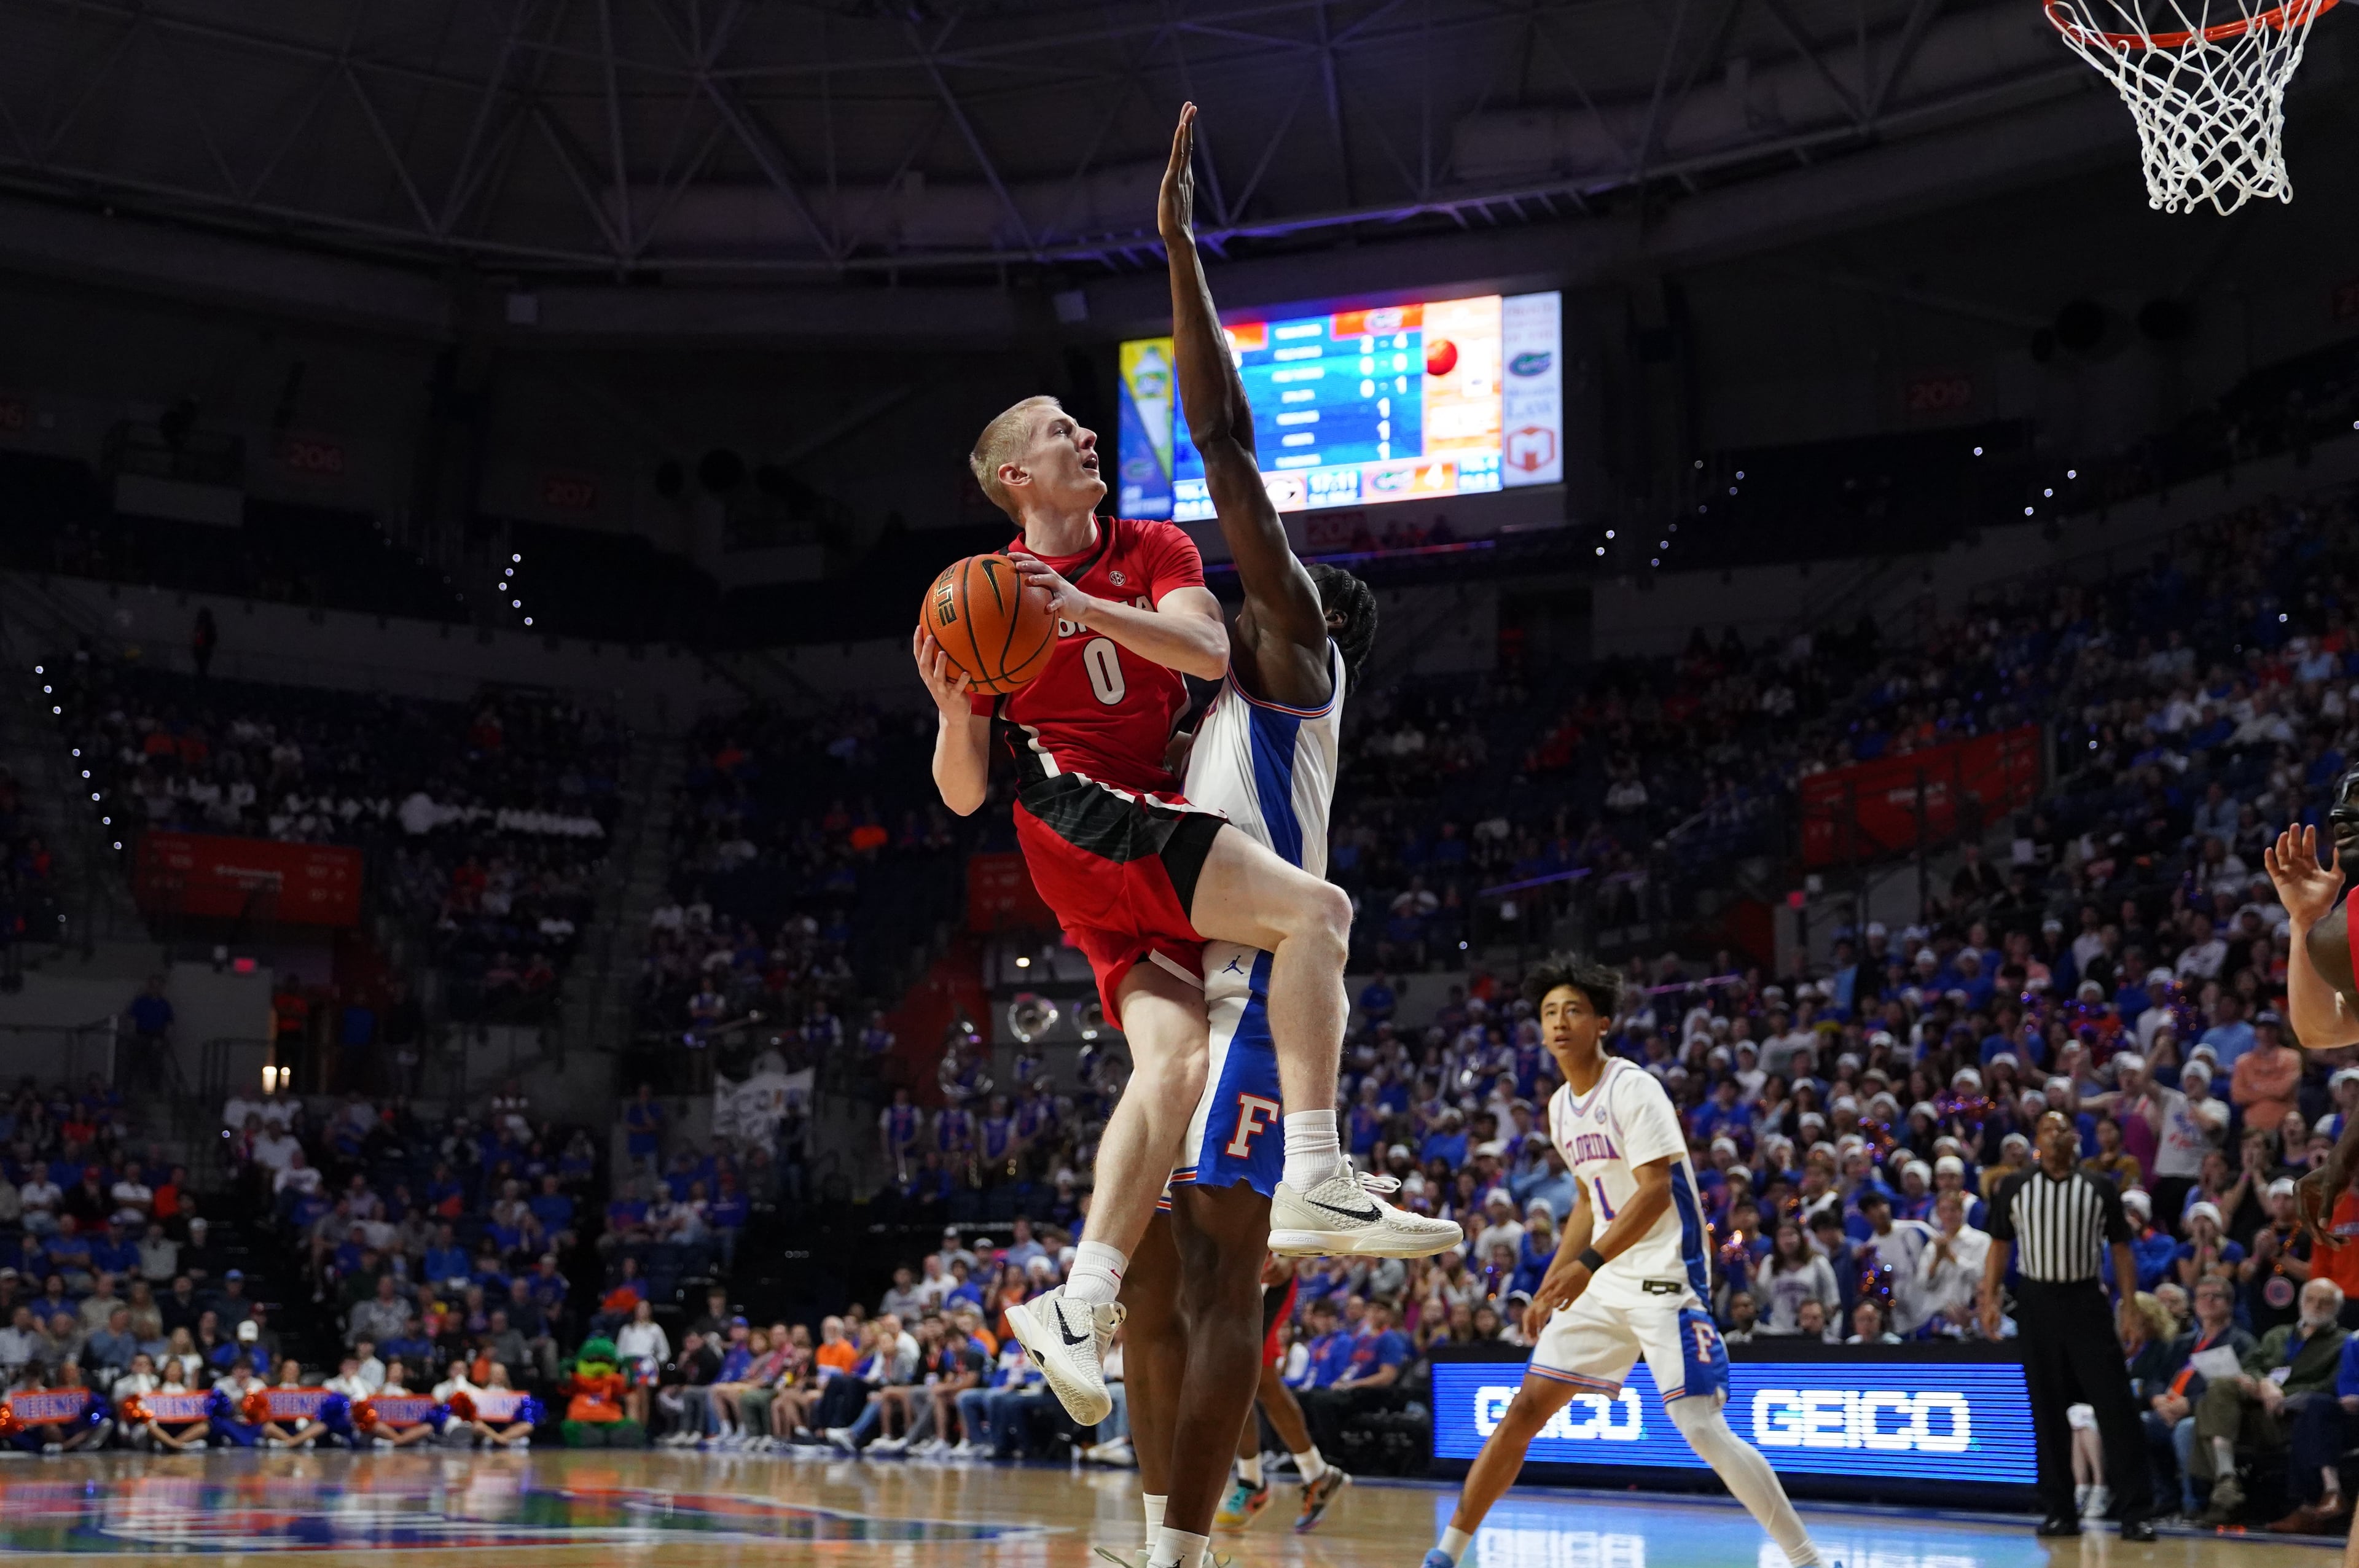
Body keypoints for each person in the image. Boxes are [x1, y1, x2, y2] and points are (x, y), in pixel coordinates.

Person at [921, 114, 1449, 1437]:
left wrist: (1080, 609)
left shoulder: (1148, 545)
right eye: (1058, 430)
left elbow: (1206, 643)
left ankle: (1076, 1290)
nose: (1083, 435)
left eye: (1081, 426)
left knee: (1172, 1066)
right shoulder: (975, 600)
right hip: (1085, 825)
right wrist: (948, 706)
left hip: (1136, 832)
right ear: (1009, 476)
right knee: (1316, 913)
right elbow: (967, 795)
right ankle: (1320, 1172)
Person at [1111, 103, 1405, 1568]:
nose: (1243, 587)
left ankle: (1185, 1555)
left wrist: (1176, 248)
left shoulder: (1293, 651)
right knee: (1146, 1283)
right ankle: (1160, 1539)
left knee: (1221, 1272)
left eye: (1277, 576)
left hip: (1250, 1000)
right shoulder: (1220, 706)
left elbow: (1221, 439)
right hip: (1195, 989)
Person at [1423, 954, 1825, 1568]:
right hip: (1603, 1278)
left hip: (1664, 1274)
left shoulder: (1632, 1088)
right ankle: (1446, 1554)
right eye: (1550, 1012)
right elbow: (1589, 1197)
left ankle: (1810, 1562)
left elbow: (1655, 1190)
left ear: (1602, 1022)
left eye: (1574, 1011)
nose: (1559, 1022)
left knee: (1699, 1426)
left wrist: (1585, 1263)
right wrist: (1555, 1281)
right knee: (1525, 1408)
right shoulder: (1560, 1107)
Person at [1979, 1110, 2159, 1540]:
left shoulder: (2099, 1187)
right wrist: (1987, 1298)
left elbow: (2121, 1251)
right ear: (2038, 1138)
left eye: (2063, 1128)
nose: (2056, 1134)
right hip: (2037, 1301)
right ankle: (2060, 1510)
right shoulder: (2016, 1187)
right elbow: (1999, 1247)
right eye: (2048, 1128)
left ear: (2075, 1138)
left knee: (2115, 1407)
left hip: (2085, 1300)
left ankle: (2136, 1511)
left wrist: (2130, 1307)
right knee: (2046, 1409)